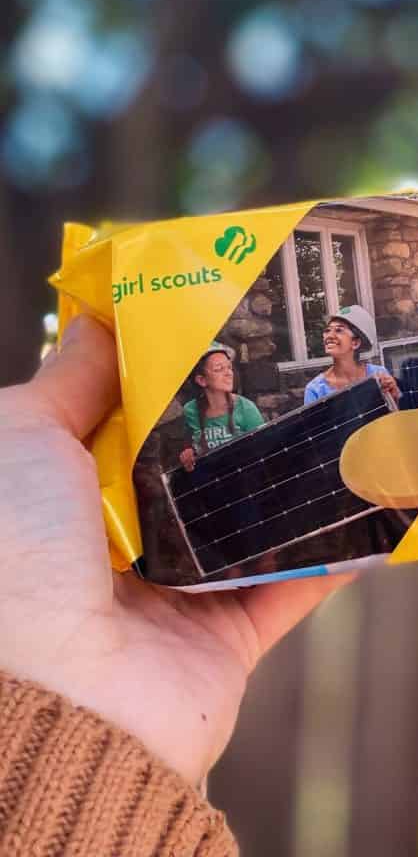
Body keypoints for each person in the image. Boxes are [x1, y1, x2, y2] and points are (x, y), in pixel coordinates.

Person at [0, 316, 349, 853]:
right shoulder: (186, 416)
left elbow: (258, 448)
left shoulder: (249, 410)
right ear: (202, 379)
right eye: (216, 366)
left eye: (228, 365)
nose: (225, 372)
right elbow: (178, 457)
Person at [179, 342, 265, 471]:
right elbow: (188, 446)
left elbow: (264, 450)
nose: (228, 373)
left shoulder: (246, 408)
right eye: (219, 369)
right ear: (201, 380)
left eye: (229, 367)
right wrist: (187, 453)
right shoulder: (190, 411)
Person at [303, 305, 401, 405]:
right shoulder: (315, 389)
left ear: (355, 343)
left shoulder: (379, 374)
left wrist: (394, 396)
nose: (329, 336)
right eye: (327, 330)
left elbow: (394, 415)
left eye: (339, 330)